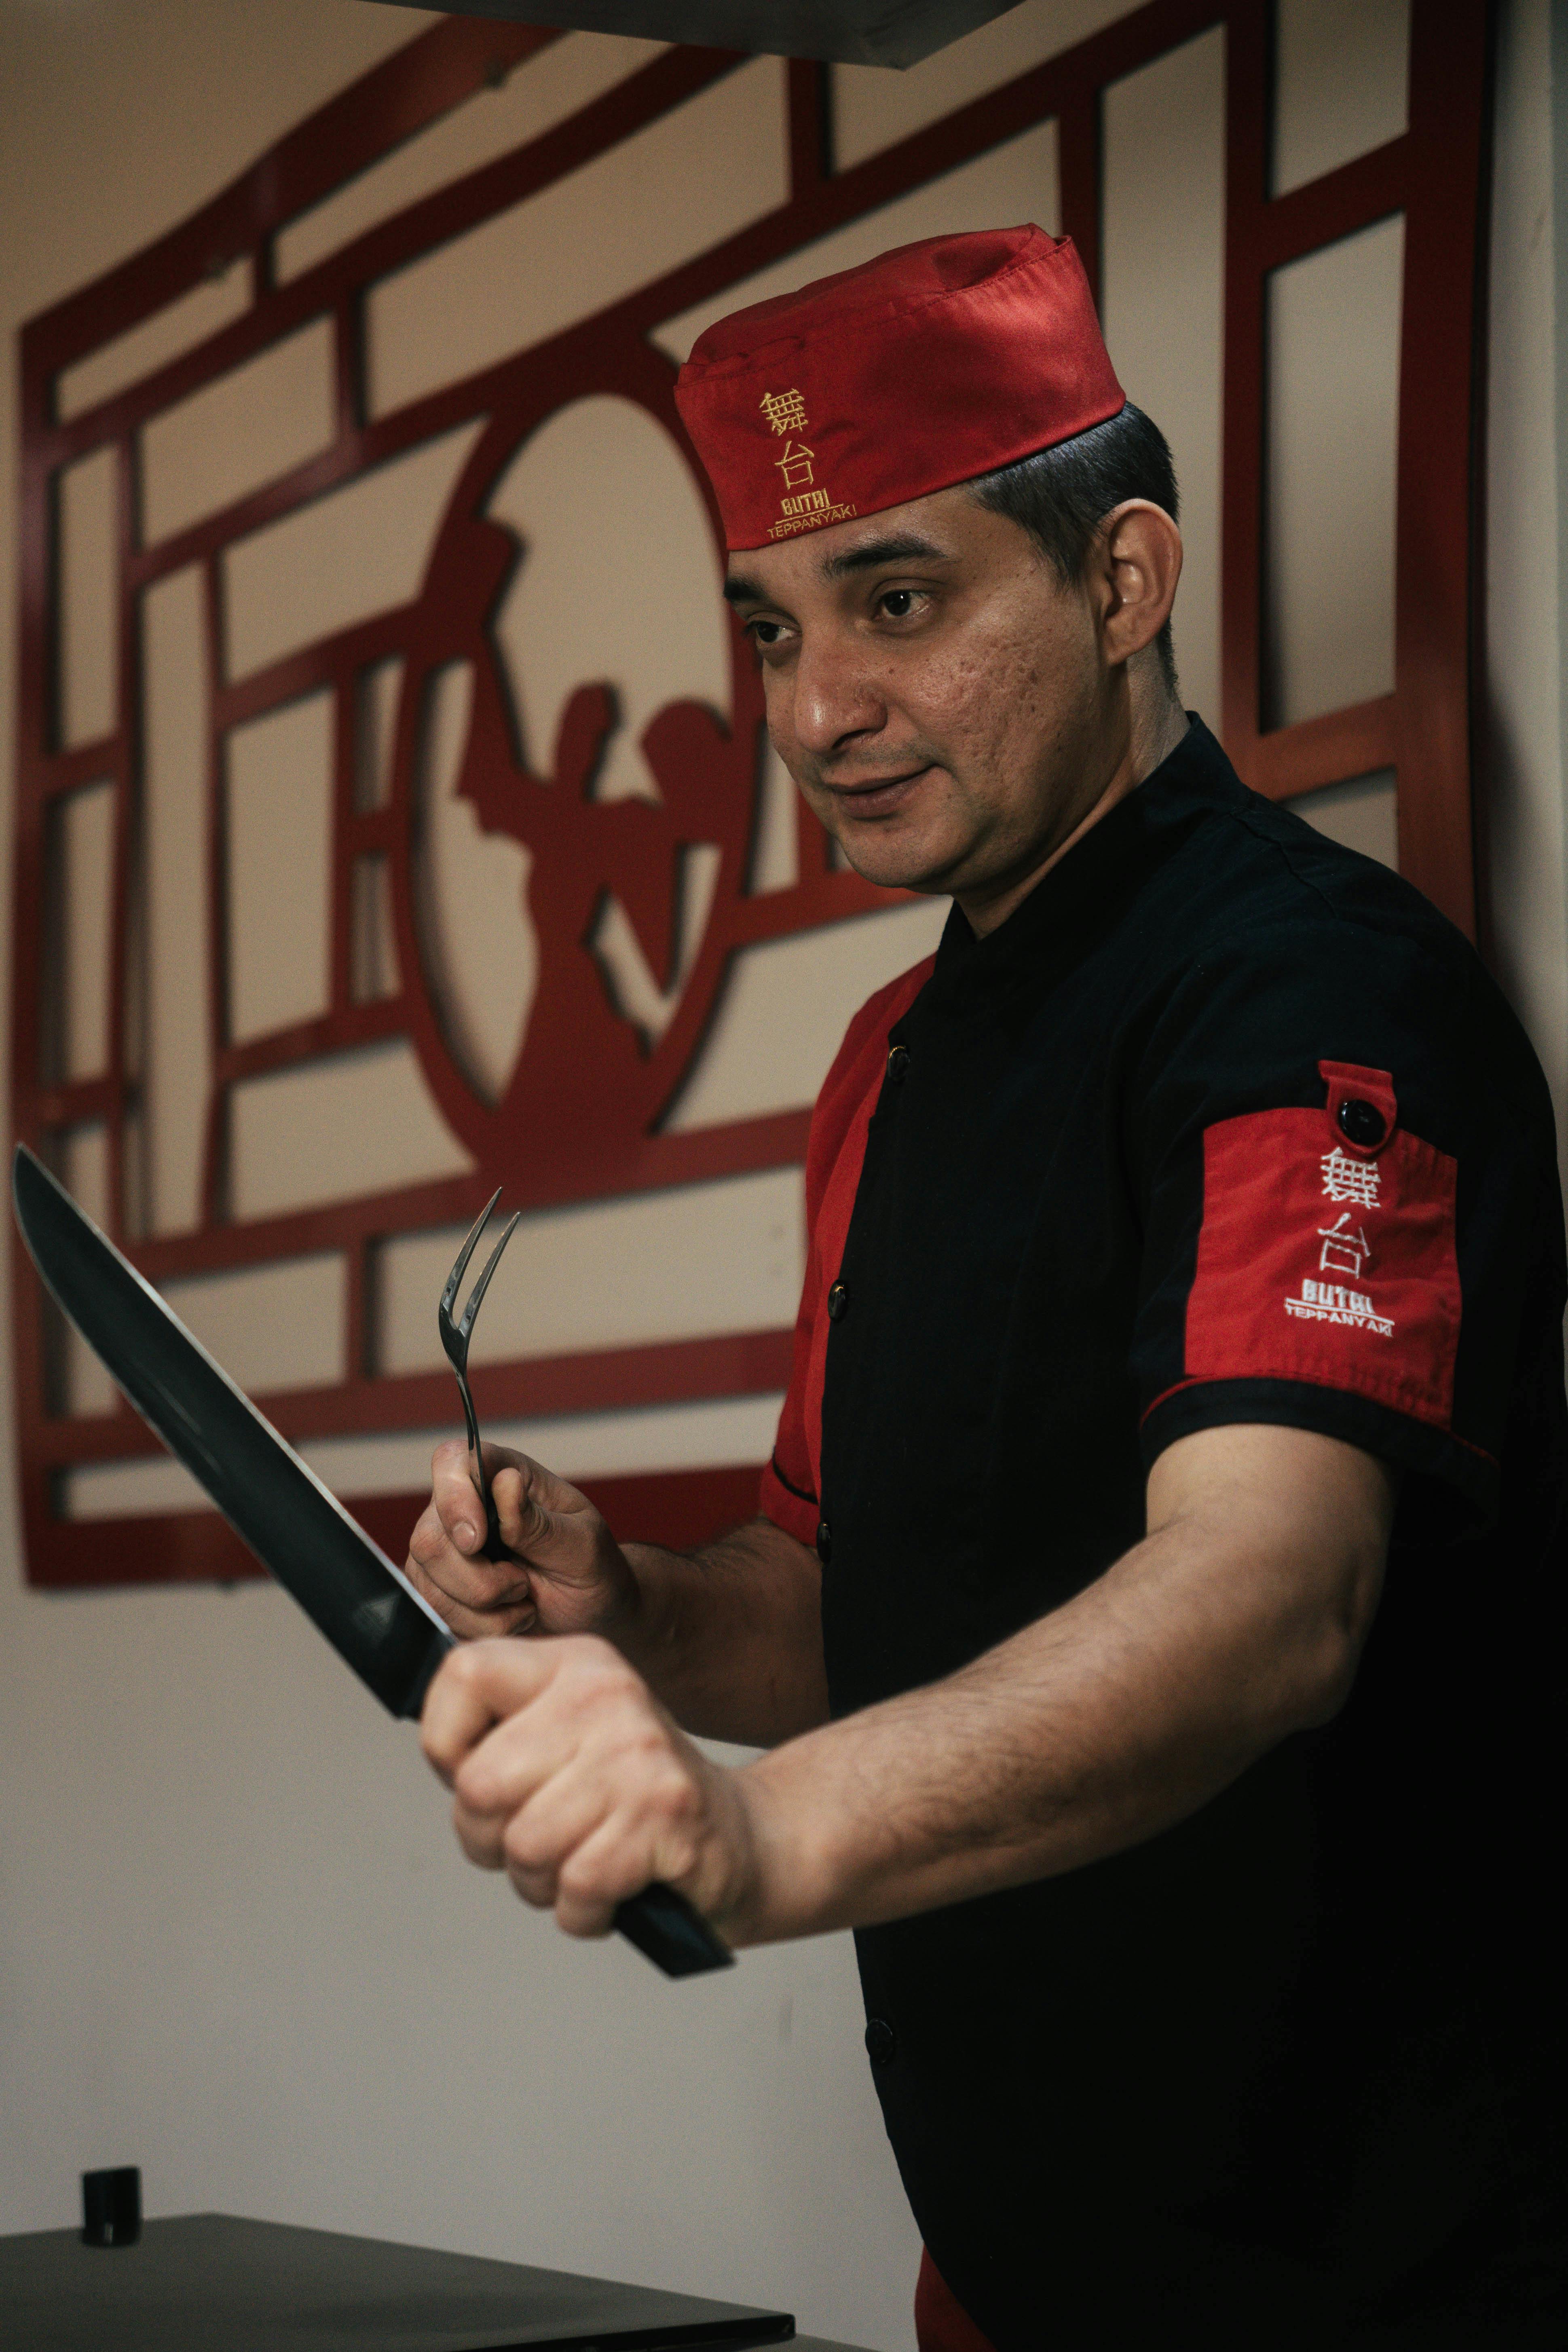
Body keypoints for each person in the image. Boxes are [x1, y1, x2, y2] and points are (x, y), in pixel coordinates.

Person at [404, 227, 1568, 2350]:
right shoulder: (891, 1064)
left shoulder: (1309, 994)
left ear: (1123, 581)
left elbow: (1271, 1596)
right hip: (1021, 2282)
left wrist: (756, 1839)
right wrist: (629, 1609)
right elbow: (840, 1605)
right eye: (773, 628)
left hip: (1392, 2287)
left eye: (899, 601)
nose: (815, 710)